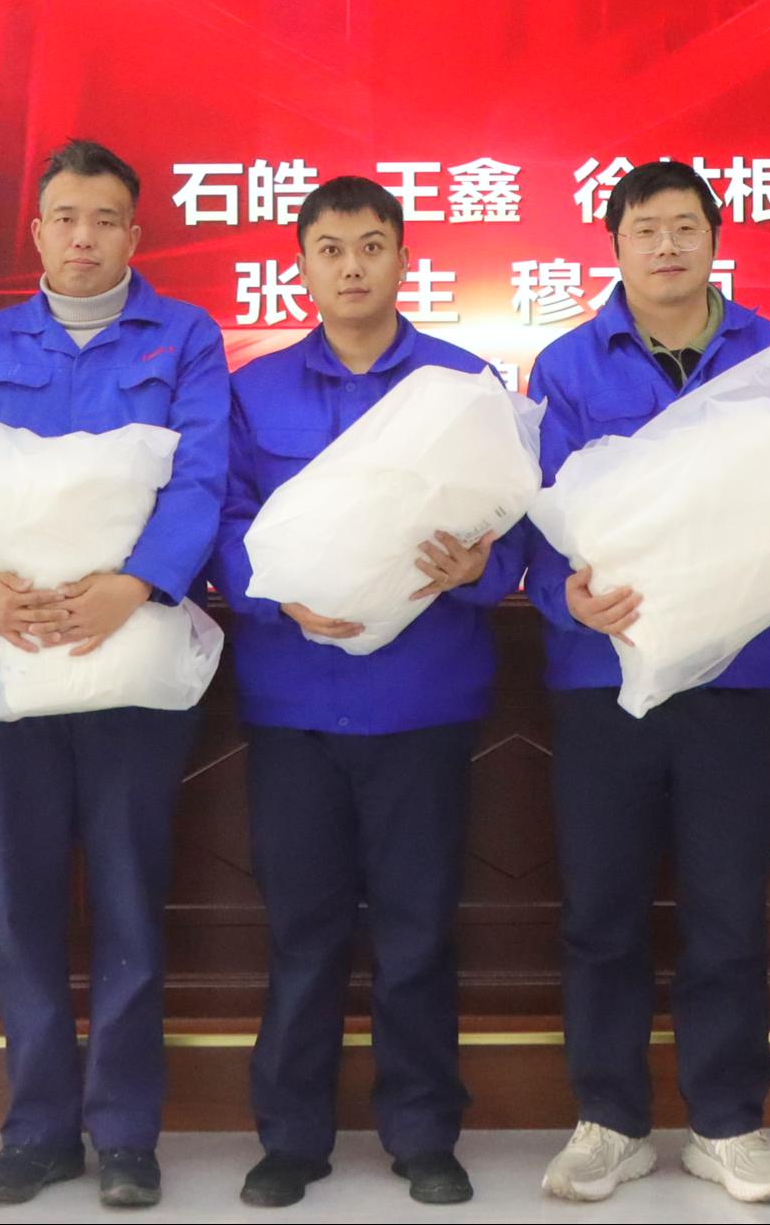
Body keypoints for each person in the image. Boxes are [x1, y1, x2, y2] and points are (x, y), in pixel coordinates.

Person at [524, 160, 770, 1207]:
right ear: (615, 245)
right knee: (602, 909)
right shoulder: (565, 364)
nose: (666, 245)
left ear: (717, 239)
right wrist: (564, 599)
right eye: (645, 229)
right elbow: (530, 514)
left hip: (738, 673)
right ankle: (609, 1121)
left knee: (728, 907)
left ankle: (728, 1121)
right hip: (603, 675)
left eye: (685, 226)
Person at [0, 140, 231, 1209]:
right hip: (10, 662)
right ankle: (39, 1131)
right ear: (38, 232)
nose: (85, 237)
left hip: (131, 658)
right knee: (21, 905)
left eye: (105, 219)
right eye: (66, 217)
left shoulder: (185, 336)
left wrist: (137, 585)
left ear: (135, 234)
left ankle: (126, 1133)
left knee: (129, 901)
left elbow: (202, 475)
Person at [210, 176, 527, 1210]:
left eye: (372, 246)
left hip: (422, 700)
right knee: (301, 932)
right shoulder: (255, 390)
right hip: (293, 701)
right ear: (301, 266)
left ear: (403, 258)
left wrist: (478, 566)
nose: (352, 266)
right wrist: (273, 594)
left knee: (417, 930)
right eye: (331, 248)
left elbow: (517, 526)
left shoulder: (462, 383)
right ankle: (291, 1139)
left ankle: (423, 1133)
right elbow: (225, 522)